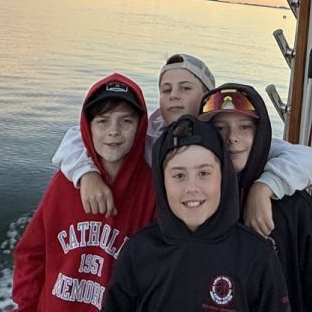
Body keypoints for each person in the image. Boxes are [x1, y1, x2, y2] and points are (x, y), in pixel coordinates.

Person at [52, 52, 312, 235]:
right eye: (166, 90)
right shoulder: (152, 136)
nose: (173, 96)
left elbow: (309, 159)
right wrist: (86, 174)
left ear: (207, 96)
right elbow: (78, 136)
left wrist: (264, 188)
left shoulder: (226, 137)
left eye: (185, 88)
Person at [101, 115, 290, 312]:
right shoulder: (138, 251)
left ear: (223, 177)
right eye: (179, 175)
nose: (191, 188)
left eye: (204, 173)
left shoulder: (257, 255)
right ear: (161, 182)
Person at [199, 83, 312, 312]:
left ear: (260, 134)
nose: (232, 138)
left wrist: (262, 189)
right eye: (220, 129)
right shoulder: (193, 200)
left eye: (244, 127)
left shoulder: (295, 207)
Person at [12, 74, 155, 311]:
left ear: (140, 127)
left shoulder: (151, 191)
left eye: (126, 121)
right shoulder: (64, 183)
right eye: (102, 121)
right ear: (86, 127)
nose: (113, 131)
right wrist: (27, 306)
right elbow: (31, 253)